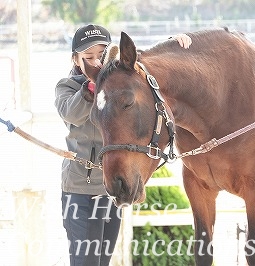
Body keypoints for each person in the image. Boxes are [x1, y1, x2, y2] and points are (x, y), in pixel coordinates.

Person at [54, 24, 192, 266]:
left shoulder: (118, 86)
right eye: (88, 58)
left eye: (101, 55)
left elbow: (147, 60)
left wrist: (175, 42)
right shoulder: (68, 87)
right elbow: (72, 113)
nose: (96, 62)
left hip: (110, 189)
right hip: (80, 193)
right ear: (76, 59)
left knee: (103, 261)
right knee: (85, 262)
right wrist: (93, 85)